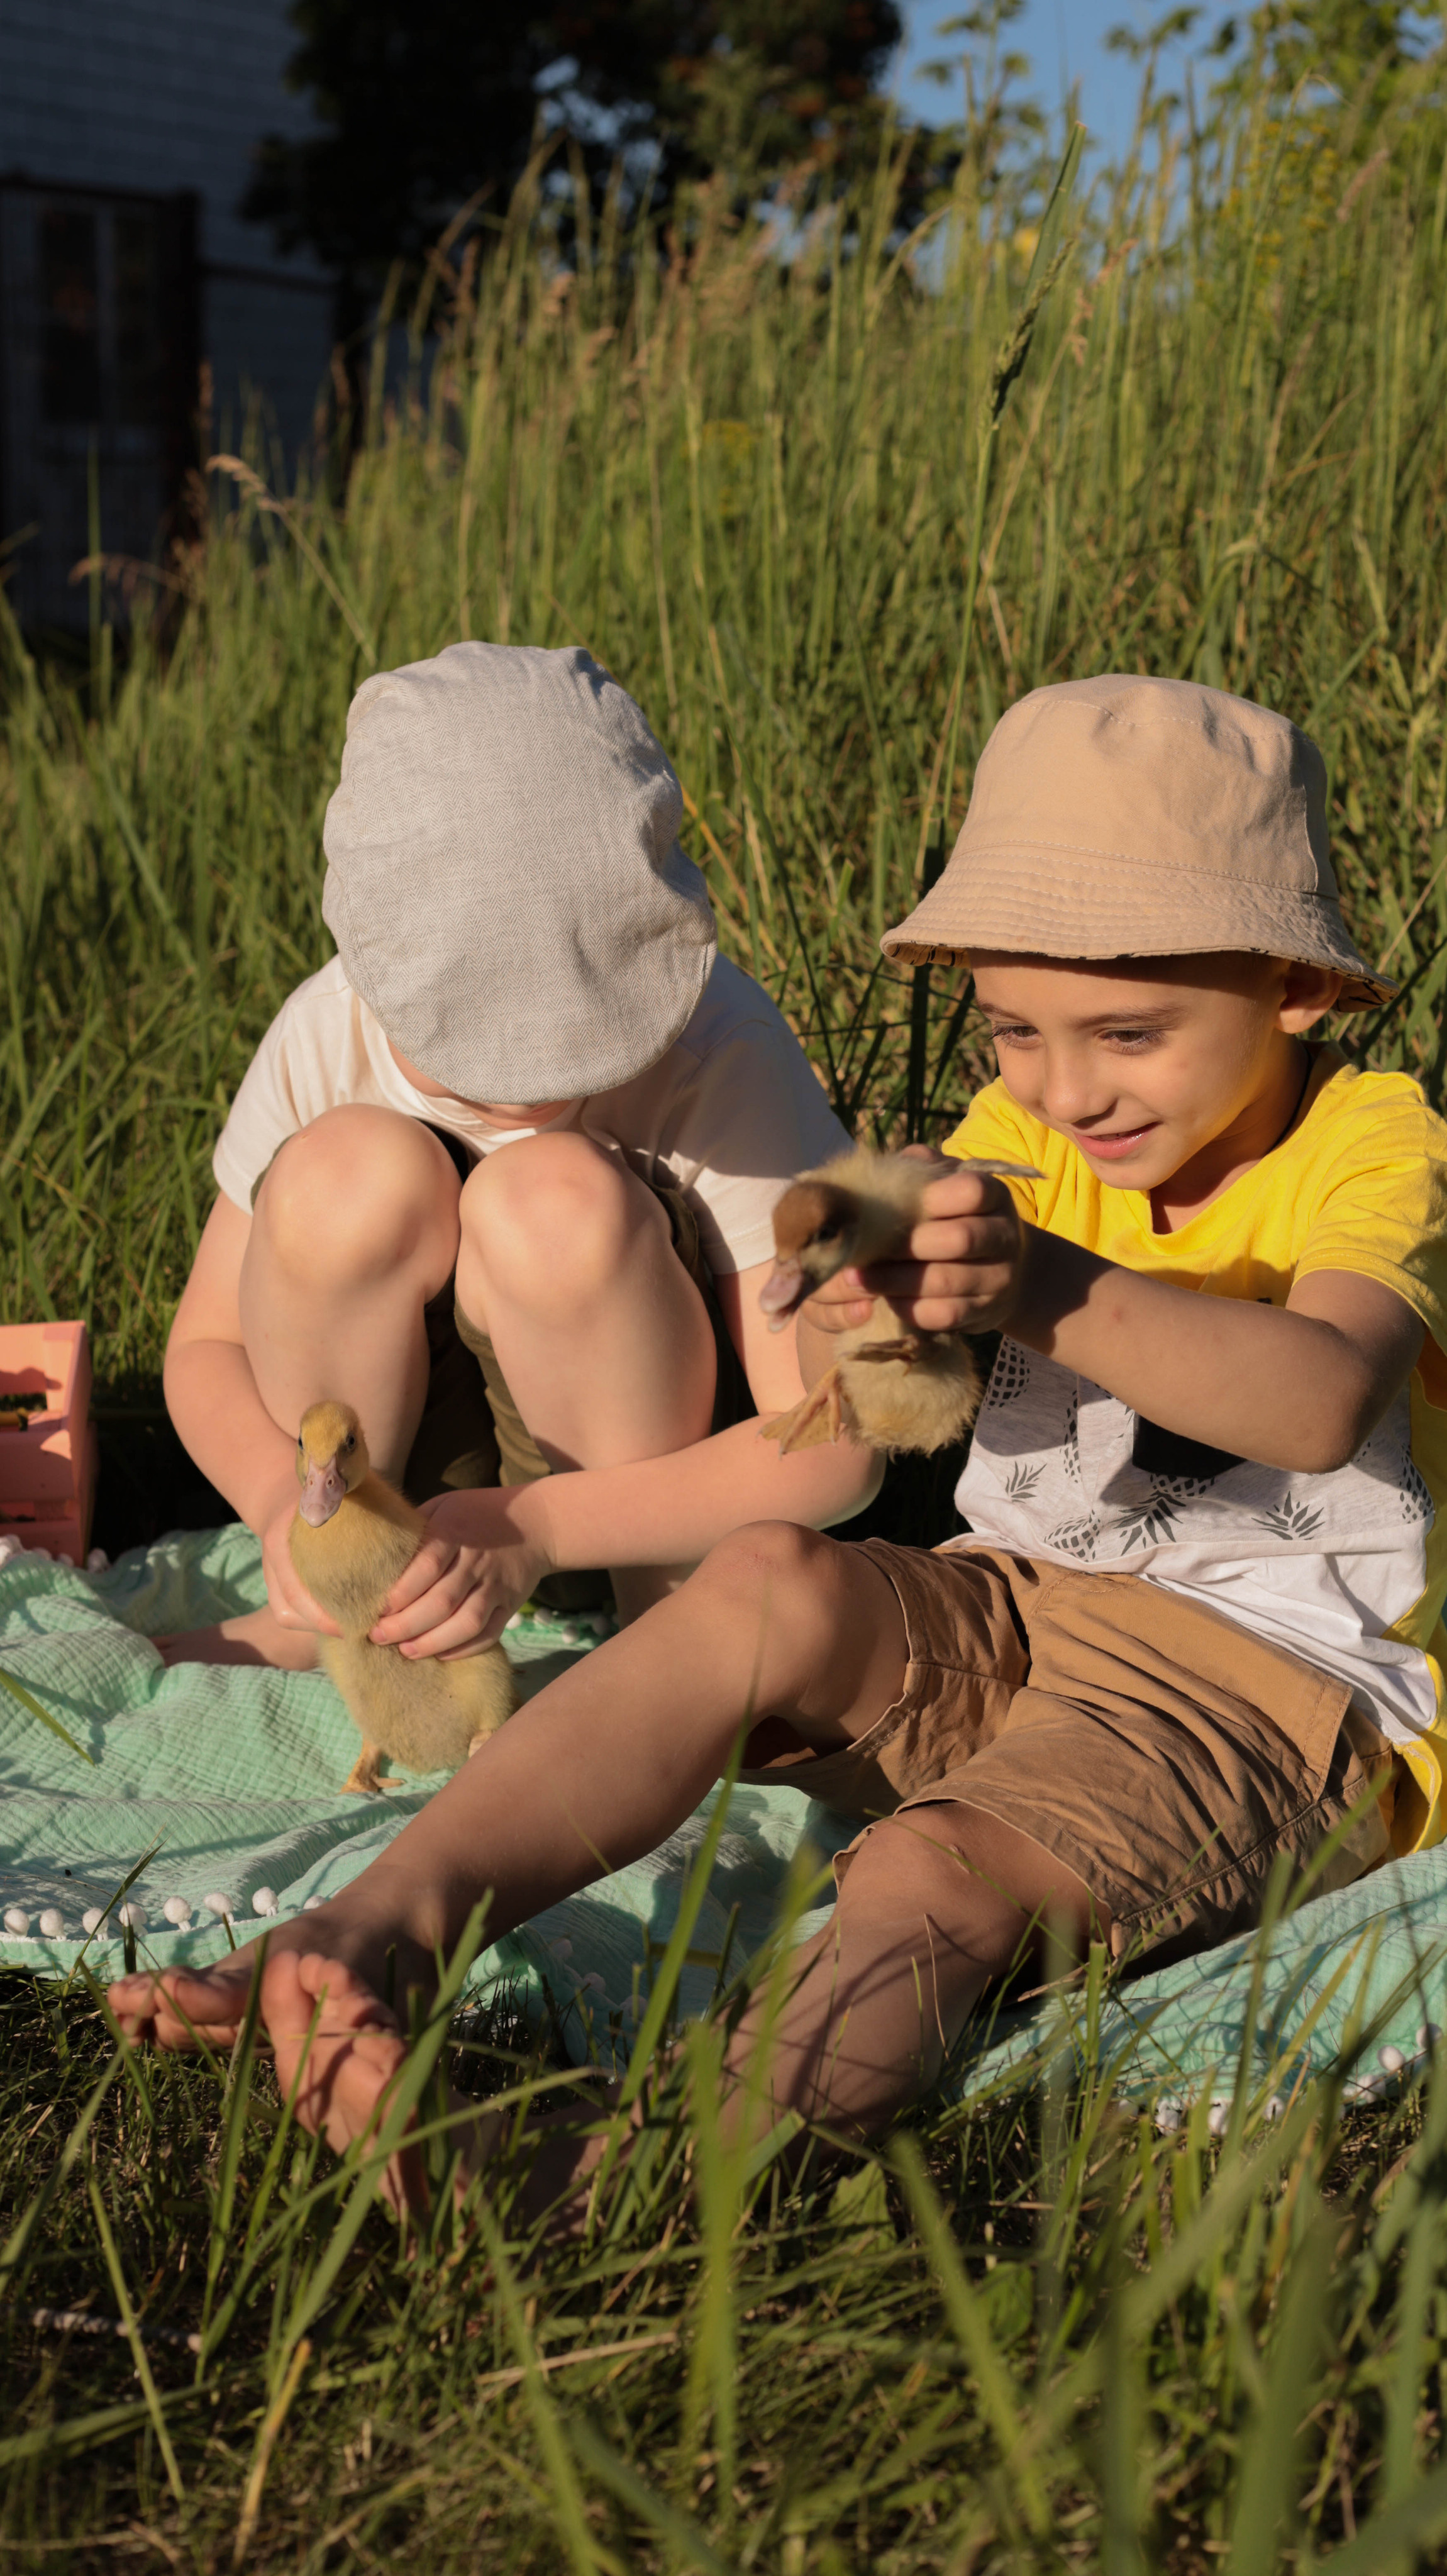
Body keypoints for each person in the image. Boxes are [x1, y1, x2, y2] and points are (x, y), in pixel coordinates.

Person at [113, 673, 1447, 2210]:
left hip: (1270, 1691)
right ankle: (367, 1931)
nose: (1064, 1086)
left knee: (937, 1872)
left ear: (1291, 987)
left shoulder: (1372, 1143)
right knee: (760, 1579)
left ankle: (620, 2184)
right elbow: (845, 1411)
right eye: (1013, 1027)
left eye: (1125, 1033)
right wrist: (857, 1296)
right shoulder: (1021, 1143)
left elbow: (1315, 1396)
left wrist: (1040, 1283)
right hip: (1016, 1599)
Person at [160, 641, 873, 1667]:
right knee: (336, 1178)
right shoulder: (330, 1030)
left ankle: (658, 1625)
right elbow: (207, 1346)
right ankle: (347, 1602)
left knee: (553, 1199)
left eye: (583, 1044)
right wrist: (282, 1498)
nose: (524, 1091)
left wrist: (543, 1530)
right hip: (410, 1513)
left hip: (641, 1510)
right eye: (465, 1057)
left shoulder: (718, 1050)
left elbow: (834, 1444)